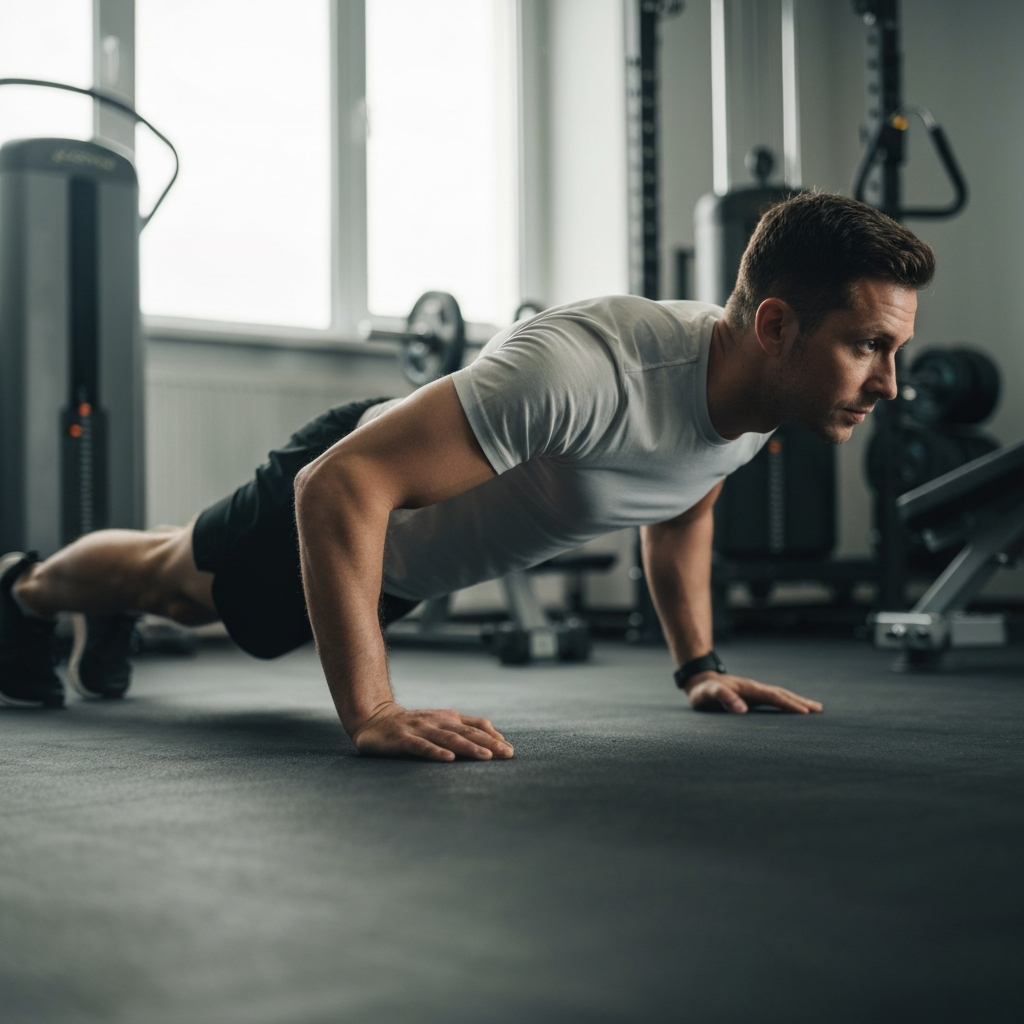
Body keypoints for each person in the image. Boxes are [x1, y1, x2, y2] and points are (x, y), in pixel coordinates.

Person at [0, 192, 935, 760]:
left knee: (191, 597)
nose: (889, 383)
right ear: (776, 327)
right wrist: (372, 712)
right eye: (867, 347)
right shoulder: (591, 368)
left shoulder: (750, 403)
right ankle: (26, 589)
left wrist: (699, 667)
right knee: (174, 585)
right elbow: (336, 488)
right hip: (352, 489)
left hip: (407, 562)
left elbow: (686, 502)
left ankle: (80, 597)